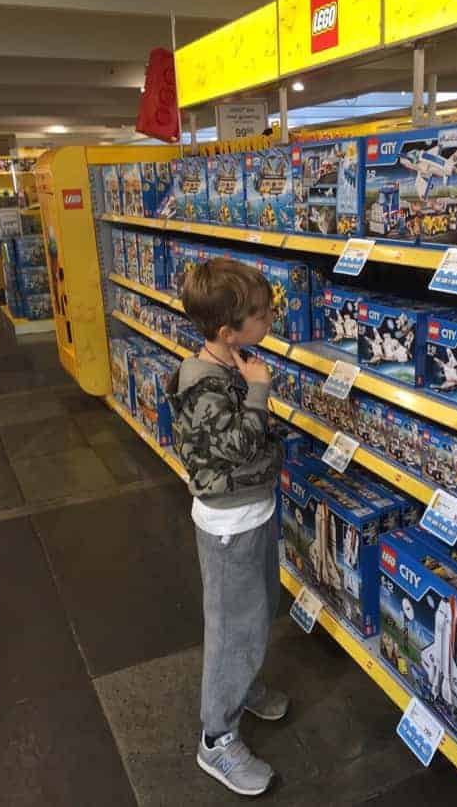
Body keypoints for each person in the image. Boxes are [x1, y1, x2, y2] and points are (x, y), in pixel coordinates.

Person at [167, 258, 287, 797]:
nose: (270, 319)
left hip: (251, 512)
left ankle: (242, 684)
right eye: (261, 315)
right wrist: (259, 390)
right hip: (228, 525)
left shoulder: (227, 362)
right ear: (227, 331)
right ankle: (216, 737)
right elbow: (237, 444)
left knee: (258, 611)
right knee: (232, 630)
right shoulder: (204, 385)